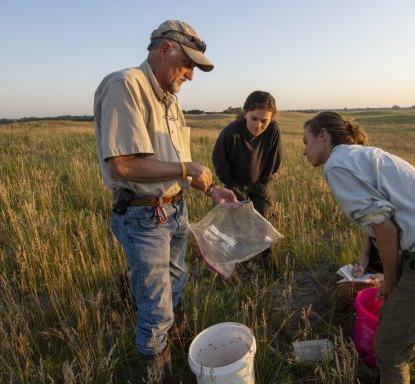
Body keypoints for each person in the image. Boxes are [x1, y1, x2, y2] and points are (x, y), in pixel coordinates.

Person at [93, 20, 236, 382]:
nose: (190, 75)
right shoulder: (125, 85)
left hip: (175, 210)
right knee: (156, 310)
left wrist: (210, 189)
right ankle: (159, 374)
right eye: (187, 64)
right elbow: (123, 166)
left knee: (177, 287)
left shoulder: (171, 100)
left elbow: (171, 168)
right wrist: (186, 166)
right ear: (164, 49)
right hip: (144, 217)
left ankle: (179, 350)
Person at [302, 111, 415, 384]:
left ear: (323, 135)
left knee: (391, 350)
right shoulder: (362, 155)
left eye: (305, 141)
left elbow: (386, 228)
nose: (304, 151)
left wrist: (391, 280)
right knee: (395, 332)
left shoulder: (335, 165)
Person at [212, 91, 282, 271]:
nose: (258, 125)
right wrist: (233, 186)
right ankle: (242, 266)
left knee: (263, 225)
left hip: (260, 185)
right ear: (245, 113)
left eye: (264, 121)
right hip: (235, 185)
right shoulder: (231, 132)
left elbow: (274, 161)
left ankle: (268, 264)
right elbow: (219, 162)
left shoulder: (273, 131)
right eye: (254, 118)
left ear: (271, 119)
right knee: (238, 227)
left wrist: (262, 184)